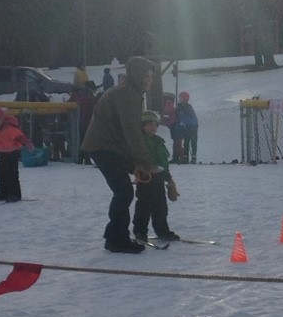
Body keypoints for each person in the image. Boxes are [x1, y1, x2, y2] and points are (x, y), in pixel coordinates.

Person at [82, 56, 157, 253]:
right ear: (137, 76)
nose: (149, 81)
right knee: (124, 192)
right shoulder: (127, 94)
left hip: (107, 146)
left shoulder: (129, 92)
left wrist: (134, 163)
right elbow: (132, 133)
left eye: (151, 77)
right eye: (146, 76)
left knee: (123, 191)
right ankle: (117, 239)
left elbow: (125, 133)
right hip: (103, 146)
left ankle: (114, 234)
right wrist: (145, 162)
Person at [132, 110, 180, 243]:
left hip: (159, 179)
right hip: (145, 178)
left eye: (155, 125)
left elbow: (163, 162)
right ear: (143, 126)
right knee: (144, 206)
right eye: (149, 124)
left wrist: (168, 177)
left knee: (161, 207)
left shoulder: (158, 142)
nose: (153, 127)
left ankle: (162, 230)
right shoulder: (140, 141)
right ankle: (140, 231)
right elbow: (139, 158)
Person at [0, 107, 30, 204]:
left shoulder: (9, 128)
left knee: (12, 174)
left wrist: (27, 144)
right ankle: (3, 193)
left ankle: (15, 194)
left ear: (3, 119)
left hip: (12, 152)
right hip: (1, 153)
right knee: (0, 174)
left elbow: (20, 136)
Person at [174, 90, 199, 163]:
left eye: (181, 98)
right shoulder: (182, 107)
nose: (180, 99)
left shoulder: (186, 107)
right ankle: (186, 157)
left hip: (192, 127)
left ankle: (192, 157)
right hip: (188, 127)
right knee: (186, 142)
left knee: (192, 142)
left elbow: (184, 117)